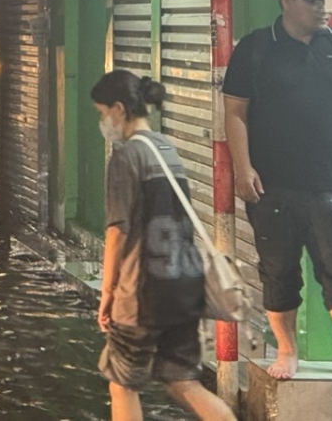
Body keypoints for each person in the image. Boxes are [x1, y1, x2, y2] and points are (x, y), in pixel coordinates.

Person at [222, 0, 332, 379]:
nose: (323, 10)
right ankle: (288, 351)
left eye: (327, 1)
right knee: (279, 272)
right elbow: (235, 112)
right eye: (314, 1)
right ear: (287, 2)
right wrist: (243, 168)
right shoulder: (257, 49)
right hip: (273, 186)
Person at [94, 70, 235, 421]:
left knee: (123, 384)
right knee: (183, 382)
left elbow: (117, 232)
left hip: (143, 292)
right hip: (184, 285)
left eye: (101, 114)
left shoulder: (126, 157)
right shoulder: (167, 149)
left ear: (118, 109)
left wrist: (107, 294)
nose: (103, 123)